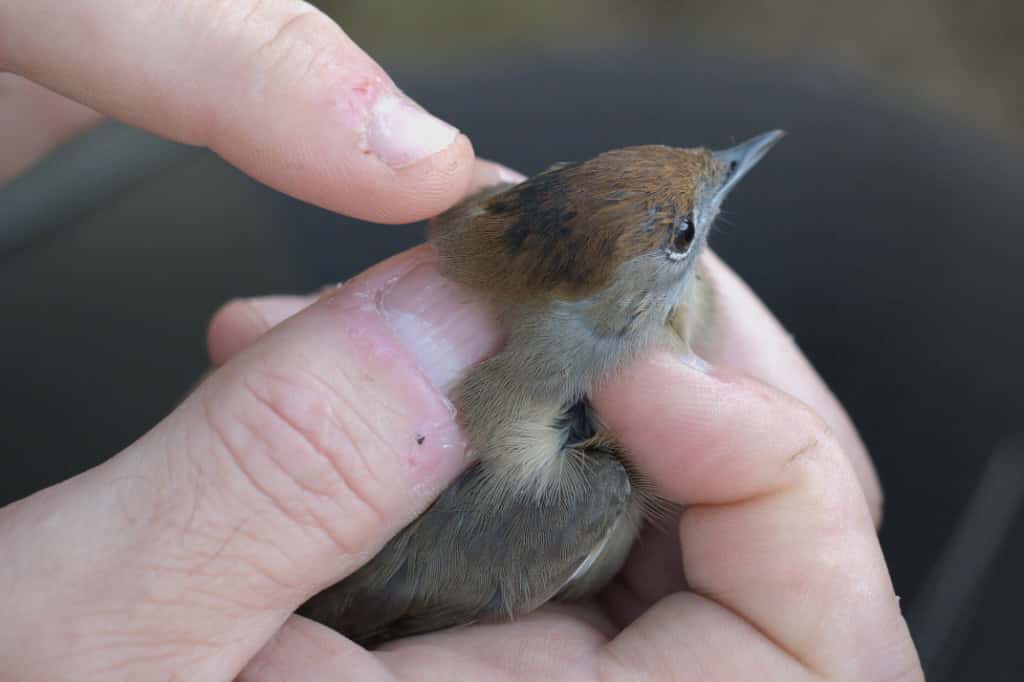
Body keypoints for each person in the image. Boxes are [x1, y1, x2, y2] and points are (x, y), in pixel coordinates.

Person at [0, 1, 922, 679]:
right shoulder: (570, 491)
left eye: (686, 222)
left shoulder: (488, 221)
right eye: (684, 235)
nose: (725, 170)